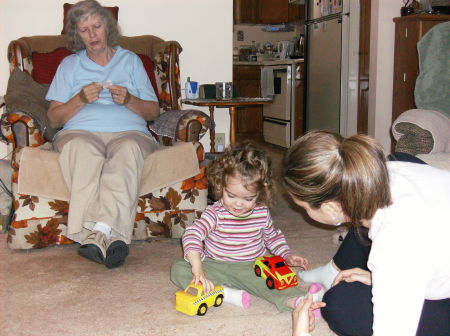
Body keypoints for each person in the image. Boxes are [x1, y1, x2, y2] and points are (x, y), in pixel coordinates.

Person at [283, 130, 450, 336]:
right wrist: (379, 278)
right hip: (430, 248)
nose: (305, 213)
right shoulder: (387, 170)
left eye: (304, 208)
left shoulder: (395, 244)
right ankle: (332, 271)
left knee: (340, 305)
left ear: (330, 207)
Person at [46, 0, 160, 268]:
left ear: (108, 27)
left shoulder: (131, 61)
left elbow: (153, 111)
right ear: (76, 34)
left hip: (129, 131)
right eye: (84, 30)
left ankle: (98, 234)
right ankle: (110, 235)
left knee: (129, 149)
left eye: (97, 26)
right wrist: (79, 100)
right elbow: (53, 118)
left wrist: (129, 99)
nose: (92, 35)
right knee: (80, 149)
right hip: (80, 132)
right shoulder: (69, 65)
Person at [170, 142, 314, 312]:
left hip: (251, 266)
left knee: (271, 281)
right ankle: (224, 293)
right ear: (220, 186)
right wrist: (197, 266)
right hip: (214, 264)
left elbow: (272, 237)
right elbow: (192, 234)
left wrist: (286, 255)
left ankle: (295, 301)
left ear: (260, 193)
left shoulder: (261, 212)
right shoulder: (215, 213)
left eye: (248, 199)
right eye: (231, 195)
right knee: (178, 269)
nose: (238, 204)